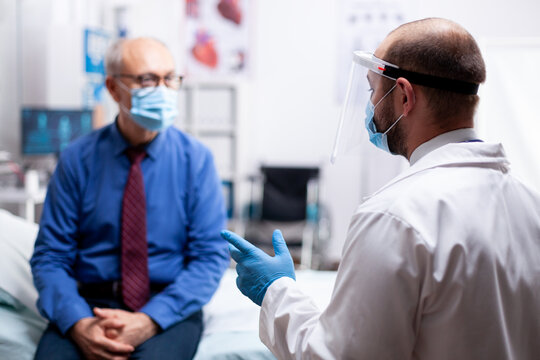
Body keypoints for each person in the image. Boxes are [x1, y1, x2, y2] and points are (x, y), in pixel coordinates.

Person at [222, 18, 540, 359]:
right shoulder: (529, 203)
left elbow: (338, 356)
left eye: (373, 90)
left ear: (404, 96)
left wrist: (276, 291)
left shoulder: (394, 216)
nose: (371, 105)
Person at [31, 37, 229, 360]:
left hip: (168, 307)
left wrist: (150, 320)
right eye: (148, 79)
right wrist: (78, 322)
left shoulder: (196, 161)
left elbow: (209, 257)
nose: (162, 90)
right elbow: (50, 257)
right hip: (89, 304)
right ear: (112, 88)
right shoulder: (77, 160)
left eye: (170, 78)